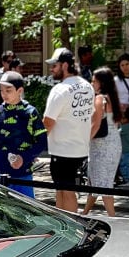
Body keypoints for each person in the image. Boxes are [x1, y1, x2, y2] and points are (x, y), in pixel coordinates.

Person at [42, 48, 95, 212]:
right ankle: (63, 224)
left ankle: (72, 226)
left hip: (62, 151)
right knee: (65, 190)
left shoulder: (60, 90)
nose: (52, 69)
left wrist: (36, 145)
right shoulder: (88, 86)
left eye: (55, 65)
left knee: (66, 191)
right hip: (81, 149)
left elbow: (48, 122)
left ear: (65, 65)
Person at [0, 71, 46, 198]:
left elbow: (42, 142)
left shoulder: (30, 112)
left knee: (26, 213)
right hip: (0, 172)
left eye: (8, 90)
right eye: (1, 90)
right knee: (2, 212)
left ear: (19, 90)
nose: (4, 94)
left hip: (23, 174)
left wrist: (25, 157)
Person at [84, 67, 124, 217]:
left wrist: (83, 142)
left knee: (104, 184)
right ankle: (85, 212)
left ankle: (113, 217)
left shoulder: (100, 98)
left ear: (101, 82)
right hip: (114, 144)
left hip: (101, 145)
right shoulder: (112, 98)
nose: (92, 83)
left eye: (94, 81)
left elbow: (96, 124)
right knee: (96, 181)